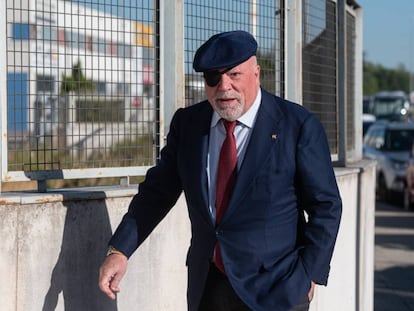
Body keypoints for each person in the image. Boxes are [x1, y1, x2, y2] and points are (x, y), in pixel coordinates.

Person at [99, 30, 342, 311]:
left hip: (277, 290)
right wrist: (120, 250)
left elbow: (326, 205)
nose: (223, 87)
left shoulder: (297, 126)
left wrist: (309, 274)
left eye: (234, 75)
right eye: (213, 78)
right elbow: (157, 193)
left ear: (256, 73)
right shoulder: (189, 125)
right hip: (209, 288)